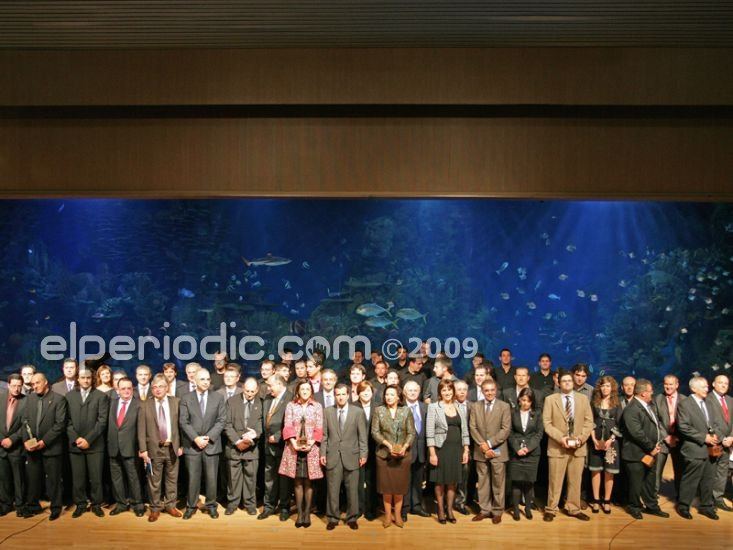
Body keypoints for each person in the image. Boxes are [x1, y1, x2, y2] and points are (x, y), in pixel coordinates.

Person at [542, 370, 593, 522]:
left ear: (573, 383)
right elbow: (547, 423)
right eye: (564, 381)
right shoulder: (550, 399)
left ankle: (574, 508)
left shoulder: (583, 399)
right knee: (555, 480)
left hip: (578, 447)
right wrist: (561, 438)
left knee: (575, 481)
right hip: (558, 447)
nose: (567, 383)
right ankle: (551, 509)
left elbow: (589, 422)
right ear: (559, 383)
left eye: (569, 381)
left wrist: (580, 439)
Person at [619, 379, 669, 520]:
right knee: (635, 483)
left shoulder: (648, 405)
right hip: (636, 454)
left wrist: (655, 446)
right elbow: (637, 433)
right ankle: (634, 507)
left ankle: (652, 506)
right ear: (643, 393)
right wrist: (651, 447)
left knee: (649, 482)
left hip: (650, 452)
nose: (652, 393)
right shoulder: (631, 409)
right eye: (650, 391)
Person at [180, 368, 226, 519]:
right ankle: (191, 506)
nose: (206, 382)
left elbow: (221, 420)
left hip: (211, 445)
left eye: (208, 379)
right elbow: (183, 421)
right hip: (192, 446)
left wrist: (208, 437)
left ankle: (211, 506)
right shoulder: (186, 398)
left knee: (212, 479)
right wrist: (196, 438)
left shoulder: (218, 397)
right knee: (192, 479)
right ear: (194, 381)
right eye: (202, 379)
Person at [320, 384, 368, 530]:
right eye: (338, 394)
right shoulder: (327, 411)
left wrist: (363, 453)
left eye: (343, 394)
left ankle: (352, 517)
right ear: (334, 396)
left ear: (348, 395)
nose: (340, 397)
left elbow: (362, 436)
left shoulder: (358, 412)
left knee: (352, 490)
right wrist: (323, 453)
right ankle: (332, 518)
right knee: (332, 490)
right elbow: (324, 435)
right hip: (333, 456)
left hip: (352, 456)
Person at [676, 375, 724, 520]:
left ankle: (706, 507)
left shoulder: (709, 402)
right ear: (693, 388)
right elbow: (683, 427)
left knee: (709, 479)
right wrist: (704, 437)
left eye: (707, 386)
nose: (707, 389)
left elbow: (716, 423)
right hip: (694, 449)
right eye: (703, 387)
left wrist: (716, 436)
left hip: (711, 450)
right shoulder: (685, 404)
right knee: (690, 480)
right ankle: (684, 506)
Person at [22, 373, 68, 520]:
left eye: (38, 383)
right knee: (33, 480)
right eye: (33, 384)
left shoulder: (59, 399)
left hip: (51, 448)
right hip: (32, 449)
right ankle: (33, 506)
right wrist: (26, 441)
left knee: (53, 481)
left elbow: (60, 424)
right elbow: (24, 421)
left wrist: (44, 442)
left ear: (46, 382)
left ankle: (56, 508)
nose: (35, 386)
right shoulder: (30, 399)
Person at [137, 373, 183, 522]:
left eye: (161, 386)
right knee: (154, 481)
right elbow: (141, 429)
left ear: (167, 387)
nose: (158, 389)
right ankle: (155, 508)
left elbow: (181, 426)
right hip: (153, 450)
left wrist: (181, 445)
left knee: (172, 479)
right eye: (155, 387)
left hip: (172, 448)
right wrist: (143, 450)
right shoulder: (145, 405)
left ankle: (170, 506)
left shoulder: (176, 402)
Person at [279, 380, 324, 528]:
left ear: (311, 391)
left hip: (312, 449)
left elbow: (319, 427)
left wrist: (310, 444)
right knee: (298, 482)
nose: (305, 391)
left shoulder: (317, 406)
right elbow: (287, 426)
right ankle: (299, 514)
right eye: (302, 389)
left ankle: (307, 513)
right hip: (294, 449)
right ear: (298, 391)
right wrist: (294, 444)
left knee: (309, 482)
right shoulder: (291, 405)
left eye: (307, 389)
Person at [66, 367, 110, 518]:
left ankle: (96, 504)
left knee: (96, 478)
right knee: (78, 479)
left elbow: (102, 421)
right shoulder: (69, 396)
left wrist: (88, 439)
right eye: (83, 378)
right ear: (78, 379)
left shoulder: (101, 396)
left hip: (95, 445)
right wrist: (76, 438)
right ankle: (80, 504)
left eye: (88, 378)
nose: (85, 380)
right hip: (75, 445)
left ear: (92, 379)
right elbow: (67, 421)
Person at [371, 384, 416, 528]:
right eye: (387, 394)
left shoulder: (406, 411)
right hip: (384, 455)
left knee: (399, 488)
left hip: (402, 456)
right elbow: (375, 432)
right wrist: (388, 445)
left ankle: (398, 515)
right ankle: (387, 516)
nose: (388, 397)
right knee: (386, 489)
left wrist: (405, 446)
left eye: (392, 394)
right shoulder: (379, 410)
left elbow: (411, 432)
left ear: (398, 397)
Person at [426, 379, 470, 524]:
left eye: (449, 389)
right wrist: (432, 453)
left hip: (456, 450)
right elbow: (429, 432)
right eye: (443, 390)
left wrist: (466, 450)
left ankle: (450, 510)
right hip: (440, 449)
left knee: (452, 481)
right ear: (440, 392)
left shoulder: (459, 407)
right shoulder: (433, 407)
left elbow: (465, 431)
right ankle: (440, 510)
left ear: (453, 391)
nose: (447, 392)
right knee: (440, 481)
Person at [469, 379, 511, 524]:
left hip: (498, 449)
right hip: (480, 451)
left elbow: (505, 429)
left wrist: (489, 444)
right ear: (482, 391)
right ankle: (484, 510)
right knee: (483, 482)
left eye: (492, 390)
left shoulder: (504, 406)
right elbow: (472, 427)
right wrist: (483, 445)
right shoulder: (475, 406)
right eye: (486, 390)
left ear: (496, 390)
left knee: (498, 482)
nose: (489, 393)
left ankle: (497, 511)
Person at [223, 377, 262, 516]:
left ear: (257, 390)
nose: (250, 394)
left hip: (252, 447)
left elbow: (262, 424)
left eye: (252, 391)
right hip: (234, 448)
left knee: (251, 478)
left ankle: (250, 504)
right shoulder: (231, 401)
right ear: (243, 388)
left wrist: (254, 435)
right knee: (233, 479)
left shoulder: (261, 403)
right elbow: (226, 424)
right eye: (247, 391)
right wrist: (237, 441)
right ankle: (232, 504)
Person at [107, 377, 145, 517]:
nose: (126, 391)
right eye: (123, 388)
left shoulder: (139, 405)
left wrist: (142, 448)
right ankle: (121, 504)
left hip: (131, 448)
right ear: (117, 390)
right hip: (113, 447)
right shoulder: (111, 403)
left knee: (134, 478)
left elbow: (142, 429)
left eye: (129, 388)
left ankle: (138, 505)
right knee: (116, 478)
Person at [508, 387, 544, 520]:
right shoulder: (513, 413)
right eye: (523, 400)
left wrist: (528, 448)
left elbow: (539, 434)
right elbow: (510, 433)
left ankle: (528, 508)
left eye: (528, 401)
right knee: (516, 482)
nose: (525, 403)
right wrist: (517, 448)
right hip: (516, 452)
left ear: (532, 402)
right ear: (519, 400)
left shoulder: (537, 414)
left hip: (532, 453)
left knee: (529, 482)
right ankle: (516, 510)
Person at [260, 374, 292, 521]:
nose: (268, 388)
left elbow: (292, 423)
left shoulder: (291, 398)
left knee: (284, 479)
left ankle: (284, 507)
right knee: (269, 478)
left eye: (270, 385)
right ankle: (268, 507)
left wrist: (278, 436)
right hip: (268, 446)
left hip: (283, 446)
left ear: (279, 384)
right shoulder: (267, 399)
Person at [588, 376, 622, 514]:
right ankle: (596, 500)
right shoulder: (594, 402)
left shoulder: (617, 403)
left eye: (608, 386)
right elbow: (589, 420)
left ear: (612, 388)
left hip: (611, 443)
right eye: (603, 386)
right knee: (595, 470)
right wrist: (593, 439)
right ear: (599, 387)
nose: (605, 388)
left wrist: (611, 439)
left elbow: (620, 423)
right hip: (595, 441)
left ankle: (607, 501)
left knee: (609, 472)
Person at [654, 374, 686, 499]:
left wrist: (678, 436)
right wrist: (666, 437)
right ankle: (653, 496)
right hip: (662, 440)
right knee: (657, 470)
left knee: (680, 470)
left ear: (677, 385)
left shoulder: (685, 400)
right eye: (665, 384)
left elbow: (688, 421)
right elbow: (655, 420)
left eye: (671, 384)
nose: (668, 386)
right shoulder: (657, 399)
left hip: (679, 440)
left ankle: (680, 496)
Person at [0, 374, 27, 517]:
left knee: (19, 478)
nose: (16, 389)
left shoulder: (26, 401)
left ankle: (20, 506)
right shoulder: (0, 398)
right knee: (3, 478)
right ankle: (6, 504)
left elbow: (26, 425)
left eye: (19, 386)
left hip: (16, 447)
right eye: (14, 386)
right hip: (1, 446)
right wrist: (2, 440)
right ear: (8, 385)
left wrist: (12, 439)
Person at [706, 374, 733, 511]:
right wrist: (723, 439)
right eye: (720, 382)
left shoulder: (730, 400)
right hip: (714, 443)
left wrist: (731, 437)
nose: (723, 385)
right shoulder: (707, 399)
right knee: (710, 472)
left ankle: (718, 498)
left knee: (722, 472)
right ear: (713, 384)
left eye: (726, 383)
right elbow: (709, 422)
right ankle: (708, 500)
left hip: (729, 443)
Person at [403, 380, 429, 520]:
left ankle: (417, 506)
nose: (413, 393)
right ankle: (404, 508)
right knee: (405, 480)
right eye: (410, 390)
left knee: (418, 480)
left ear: (419, 392)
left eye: (415, 390)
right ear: (405, 392)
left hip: (421, 451)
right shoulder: (400, 407)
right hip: (406, 451)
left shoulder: (425, 407)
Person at [355, 380, 378, 520]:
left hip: (375, 449)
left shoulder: (378, 407)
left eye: (368, 391)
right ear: (358, 393)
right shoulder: (352, 406)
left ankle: (371, 509)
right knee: (358, 480)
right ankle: (358, 508)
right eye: (363, 391)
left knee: (372, 480)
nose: (365, 393)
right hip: (357, 449)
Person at [453, 380, 473, 514]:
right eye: (459, 389)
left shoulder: (473, 406)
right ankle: (447, 503)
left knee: (464, 476)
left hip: (467, 446)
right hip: (451, 445)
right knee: (449, 476)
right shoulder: (448, 405)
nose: (461, 392)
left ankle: (460, 502)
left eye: (464, 390)